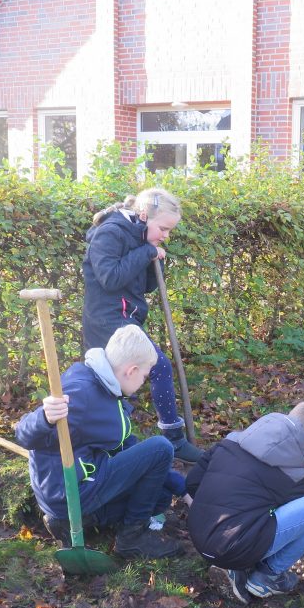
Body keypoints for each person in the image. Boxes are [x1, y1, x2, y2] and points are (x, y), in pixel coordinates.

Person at [16, 325, 185, 559]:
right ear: (131, 370)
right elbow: (23, 435)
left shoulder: (100, 382)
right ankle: (131, 539)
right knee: (162, 448)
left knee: (161, 496)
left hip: (81, 481)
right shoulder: (82, 392)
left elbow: (124, 447)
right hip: (71, 492)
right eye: (144, 377)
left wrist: (177, 484)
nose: (143, 383)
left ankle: (79, 522)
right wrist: (44, 417)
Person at [186, 401, 304, 603]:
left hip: (199, 535)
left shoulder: (231, 441)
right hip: (235, 547)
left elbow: (192, 483)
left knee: (253, 516)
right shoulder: (295, 474)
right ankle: (269, 575)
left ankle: (234, 565)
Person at [82, 187, 201, 462]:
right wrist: (146, 252)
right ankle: (169, 440)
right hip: (106, 320)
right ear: (144, 215)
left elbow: (144, 286)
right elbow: (110, 277)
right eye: (164, 228)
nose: (166, 236)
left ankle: (120, 446)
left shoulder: (137, 234)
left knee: (124, 383)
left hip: (127, 317)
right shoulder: (110, 233)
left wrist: (151, 258)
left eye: (169, 231)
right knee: (148, 368)